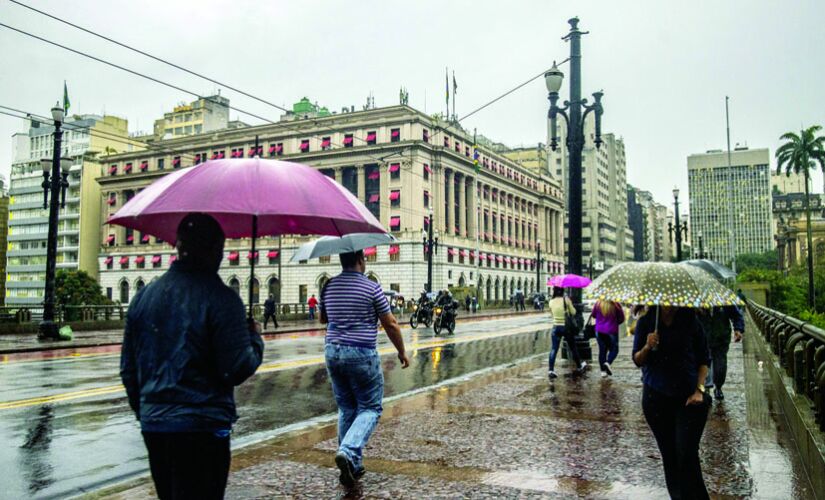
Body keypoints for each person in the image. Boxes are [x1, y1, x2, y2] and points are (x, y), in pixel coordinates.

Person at [120, 213, 264, 500]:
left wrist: (147, 412)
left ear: (179, 247)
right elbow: (235, 368)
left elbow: (128, 370)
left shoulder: (145, 296)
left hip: (155, 425)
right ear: (215, 250)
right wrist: (254, 339)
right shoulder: (222, 298)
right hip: (203, 425)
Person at [320, 250, 410, 487]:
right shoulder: (371, 287)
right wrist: (401, 351)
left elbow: (323, 318)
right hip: (361, 352)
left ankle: (353, 465)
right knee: (370, 407)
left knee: (347, 407)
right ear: (361, 259)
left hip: (332, 351)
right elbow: (390, 323)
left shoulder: (328, 286)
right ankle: (348, 451)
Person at [633, 306, 711, 499]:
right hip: (655, 398)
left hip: (689, 399)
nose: (668, 306)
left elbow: (704, 360)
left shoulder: (691, 321)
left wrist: (699, 390)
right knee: (669, 454)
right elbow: (637, 360)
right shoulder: (646, 322)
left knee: (686, 452)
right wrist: (647, 346)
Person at [697, 306, 744, 400]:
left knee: (720, 366)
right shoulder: (698, 301)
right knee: (705, 363)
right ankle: (705, 387)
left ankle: (718, 387)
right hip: (704, 338)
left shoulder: (723, 302)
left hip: (721, 338)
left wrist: (738, 329)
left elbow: (737, 315)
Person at [547, 286, 586, 378]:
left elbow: (552, 314)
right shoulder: (566, 300)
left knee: (554, 349)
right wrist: (569, 305)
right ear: (562, 291)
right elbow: (573, 312)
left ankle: (551, 370)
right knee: (573, 347)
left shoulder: (551, 302)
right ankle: (579, 366)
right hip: (566, 327)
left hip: (556, 327)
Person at [593, 300, 625, 377]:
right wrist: (614, 322)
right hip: (611, 331)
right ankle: (608, 362)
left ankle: (603, 372)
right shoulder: (616, 305)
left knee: (602, 350)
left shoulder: (598, 303)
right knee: (614, 349)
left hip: (599, 330)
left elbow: (594, 315)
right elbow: (622, 319)